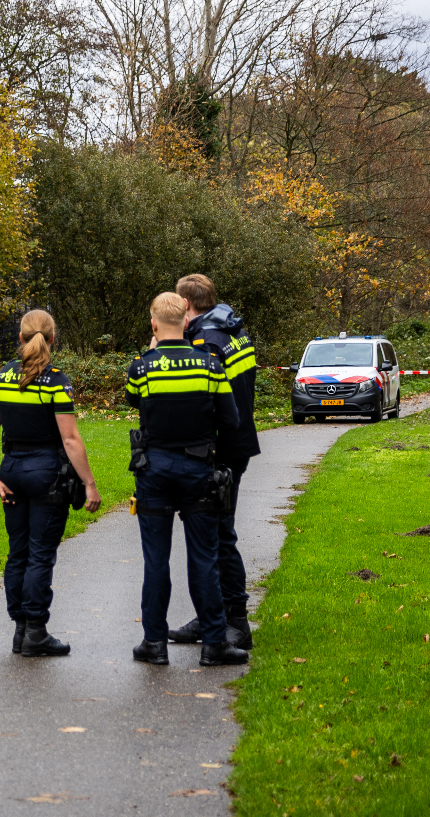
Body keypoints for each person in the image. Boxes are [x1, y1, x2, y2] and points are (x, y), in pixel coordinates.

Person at [126, 292, 245, 668]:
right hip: (198, 470)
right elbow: (231, 420)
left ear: (154, 324)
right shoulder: (210, 365)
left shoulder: (141, 368)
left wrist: (151, 350)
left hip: (154, 470)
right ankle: (214, 643)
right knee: (204, 559)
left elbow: (133, 402)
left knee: (156, 561)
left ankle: (154, 643)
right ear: (187, 321)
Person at [0, 309, 101, 657]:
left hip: (12, 471)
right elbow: (71, 440)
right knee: (40, 555)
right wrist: (89, 484)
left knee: (17, 552)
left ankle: (20, 630)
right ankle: (36, 631)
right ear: (52, 339)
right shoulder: (57, 381)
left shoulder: (1, 377)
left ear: (20, 337)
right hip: (47, 473)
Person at [168, 274, 260, 651]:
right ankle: (210, 616)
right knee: (213, 534)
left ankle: (235, 622)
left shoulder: (207, 342)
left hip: (219, 450)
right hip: (234, 444)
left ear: (187, 305)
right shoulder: (233, 330)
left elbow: (205, 401)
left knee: (220, 535)